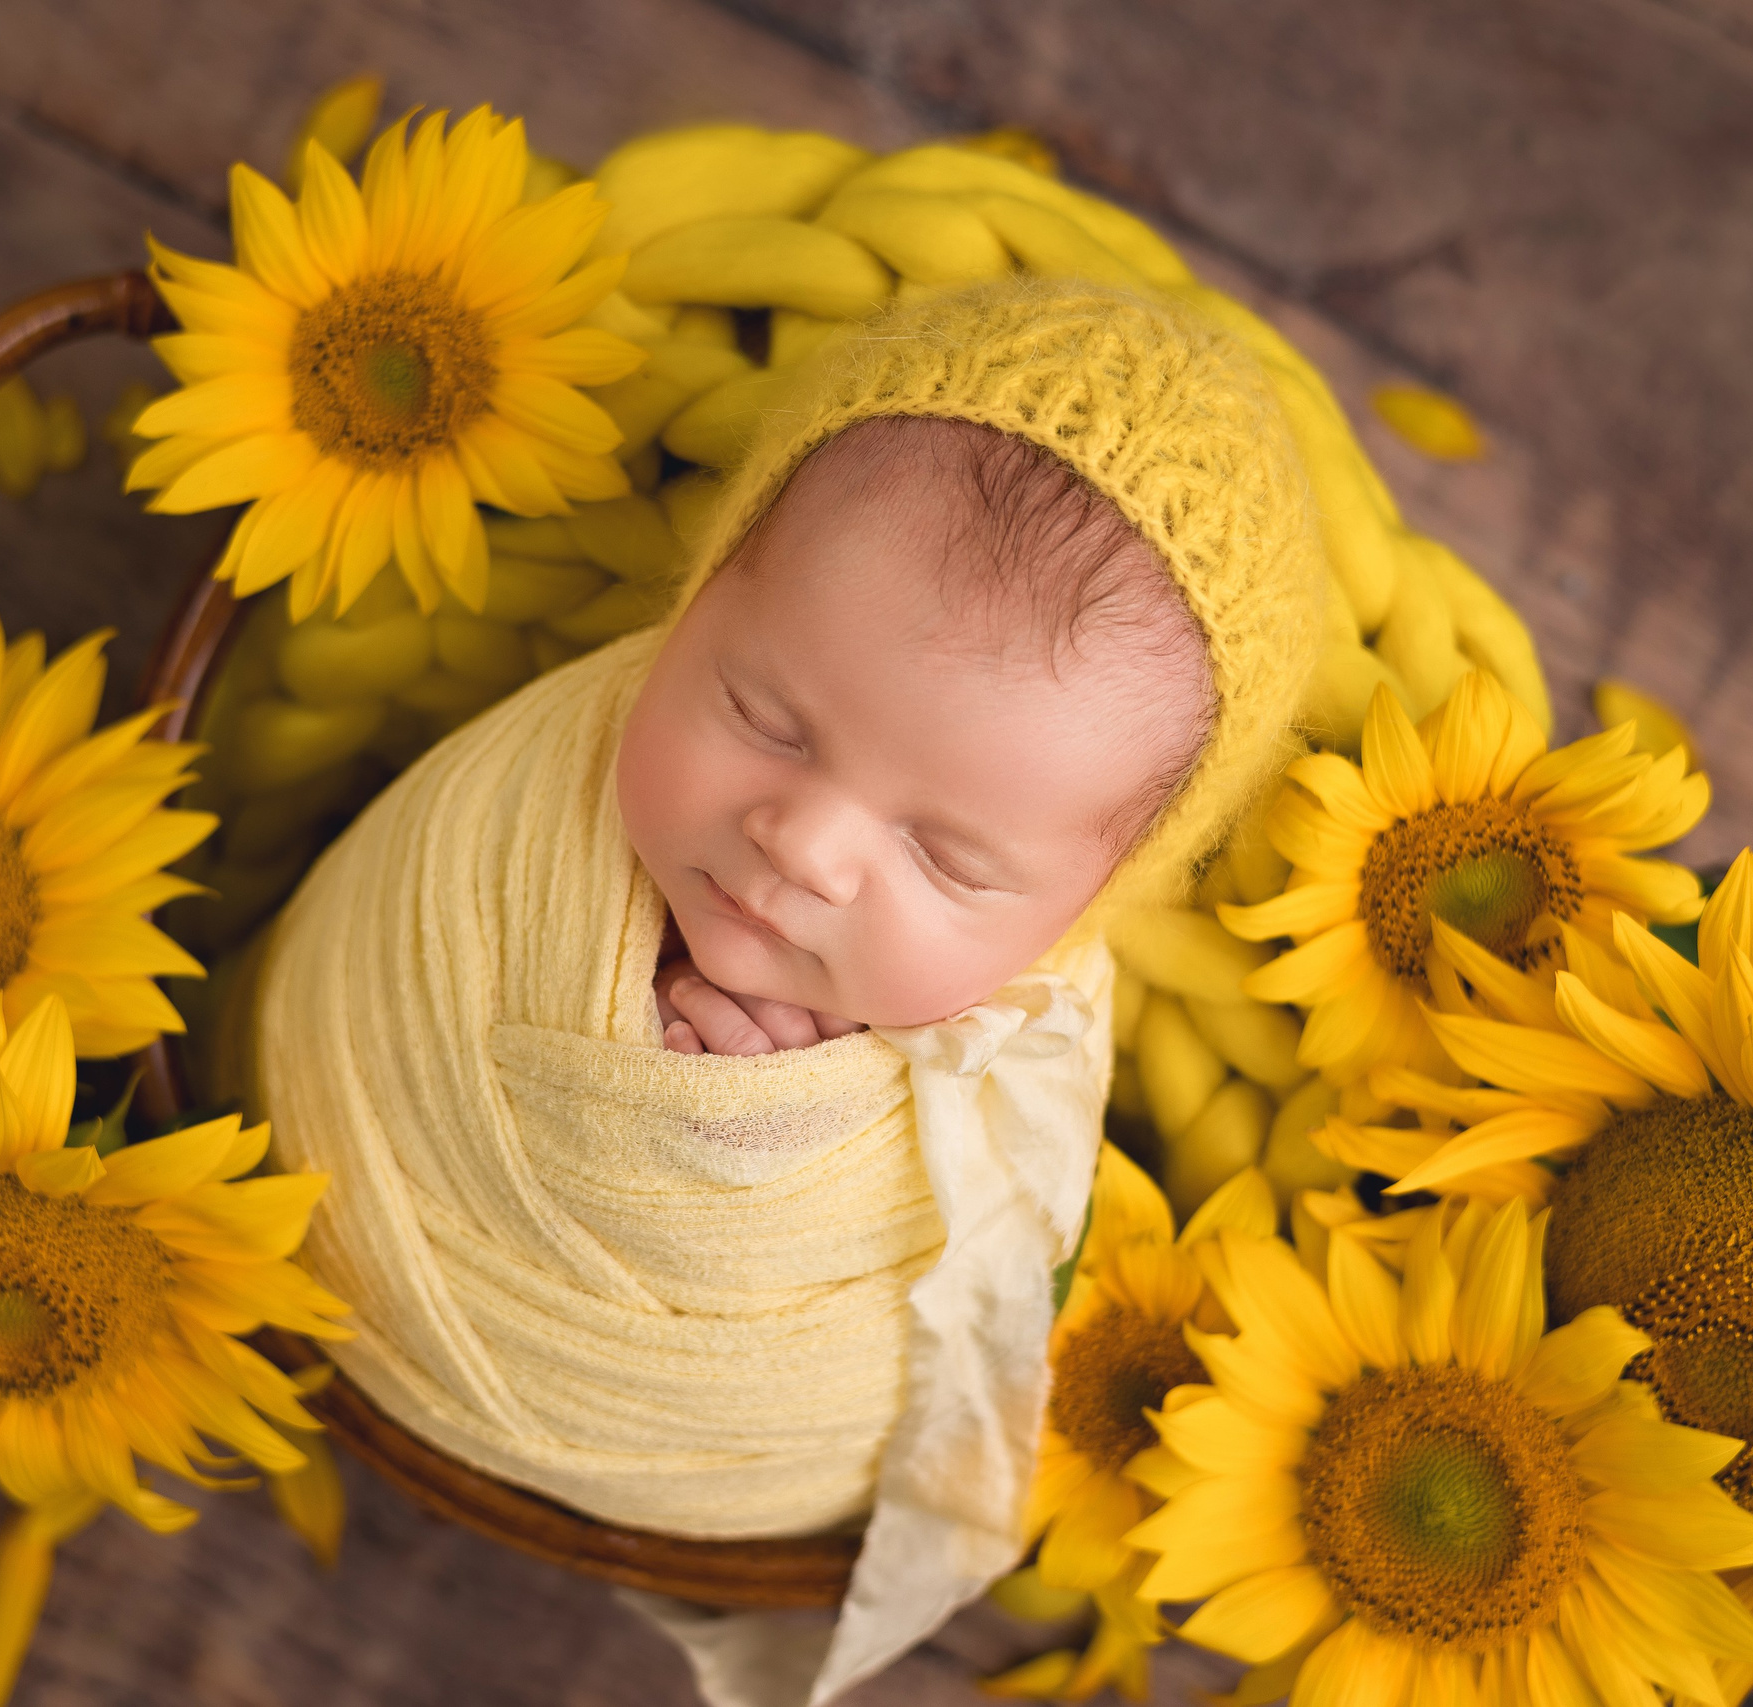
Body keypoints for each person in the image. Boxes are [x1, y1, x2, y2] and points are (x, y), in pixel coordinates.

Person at [256, 276, 1327, 1705]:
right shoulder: (541, 786)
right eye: (764, 714)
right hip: (280, 1186)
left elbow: (969, 1278)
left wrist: (746, 1141)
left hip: (675, 1452)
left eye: (946, 857)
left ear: (1086, 908)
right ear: (702, 600)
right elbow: (397, 930)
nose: (805, 848)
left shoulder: (1030, 1043)